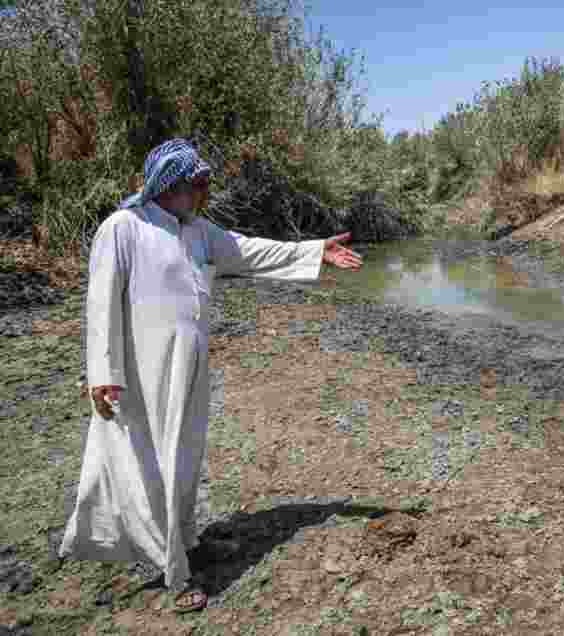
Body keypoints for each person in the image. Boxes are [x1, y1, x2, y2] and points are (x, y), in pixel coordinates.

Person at [58, 138, 363, 613]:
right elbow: (101, 305)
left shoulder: (198, 231)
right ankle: (174, 572)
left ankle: (184, 540)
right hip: (139, 377)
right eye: (199, 184)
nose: (205, 193)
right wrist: (103, 372)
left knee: (184, 457)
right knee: (148, 466)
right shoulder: (123, 228)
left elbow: (248, 251)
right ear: (172, 184)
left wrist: (314, 250)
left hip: (189, 370)